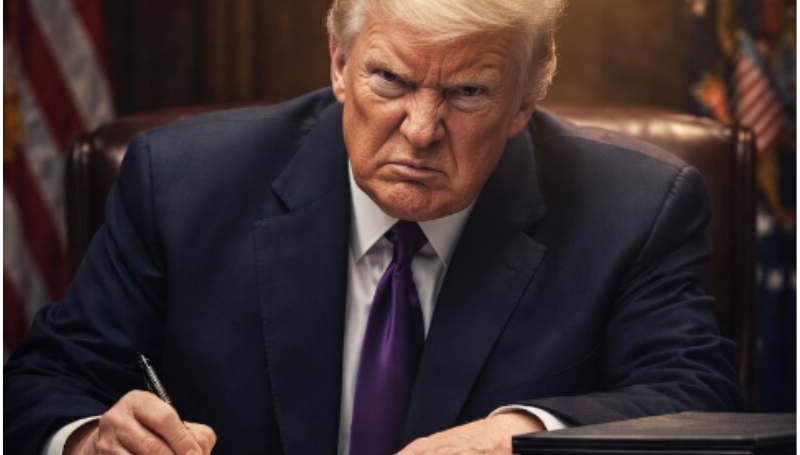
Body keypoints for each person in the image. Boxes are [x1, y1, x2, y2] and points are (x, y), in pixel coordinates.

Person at [4, 0, 744, 454]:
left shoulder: (633, 210)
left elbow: (700, 399)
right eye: (390, 79)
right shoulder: (181, 184)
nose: (420, 129)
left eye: (468, 91)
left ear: (525, 101)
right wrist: (89, 438)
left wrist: (525, 433)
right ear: (339, 64)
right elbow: (40, 382)